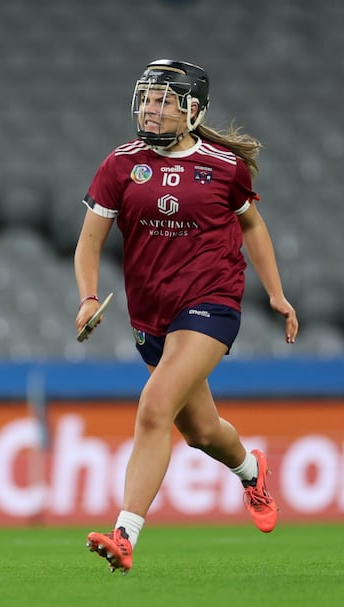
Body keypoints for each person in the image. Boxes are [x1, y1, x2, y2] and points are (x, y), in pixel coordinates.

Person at [74, 59, 299, 574]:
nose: (150, 110)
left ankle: (124, 534)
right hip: (150, 316)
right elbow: (89, 242)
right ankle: (252, 471)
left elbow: (254, 228)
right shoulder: (119, 165)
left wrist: (277, 294)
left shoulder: (224, 167)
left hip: (212, 303)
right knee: (201, 432)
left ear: (193, 110)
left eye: (164, 101)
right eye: (147, 99)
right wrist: (88, 297)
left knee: (153, 407)